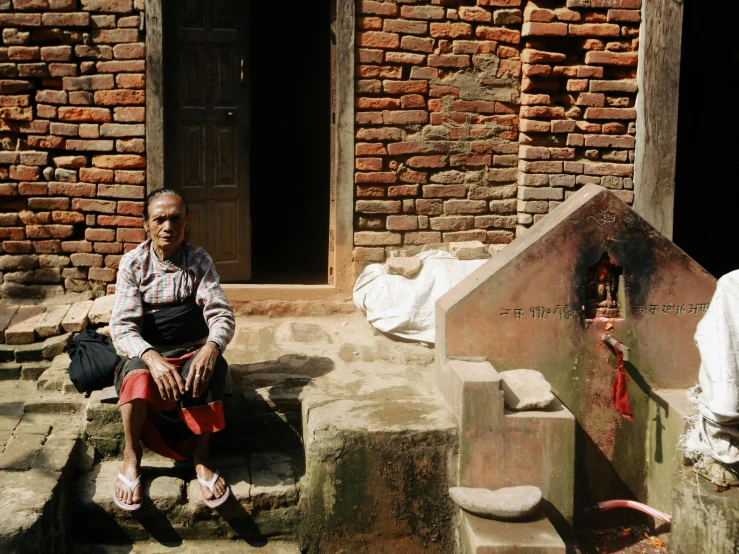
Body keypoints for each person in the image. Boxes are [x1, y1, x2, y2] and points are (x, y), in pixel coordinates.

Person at [109, 189, 236, 510]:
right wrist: (151, 357)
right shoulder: (134, 264)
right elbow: (122, 326)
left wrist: (211, 347)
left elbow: (221, 313)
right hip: (150, 353)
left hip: (192, 349)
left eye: (176, 219)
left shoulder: (198, 260)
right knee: (136, 378)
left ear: (187, 223)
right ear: (146, 226)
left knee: (208, 369)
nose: (169, 226)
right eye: (160, 219)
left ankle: (202, 455)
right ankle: (131, 455)